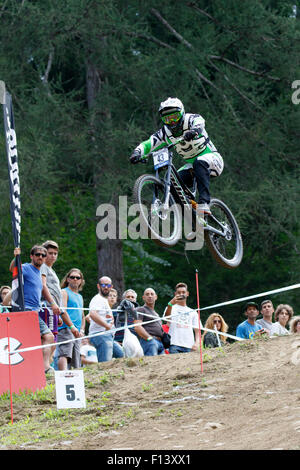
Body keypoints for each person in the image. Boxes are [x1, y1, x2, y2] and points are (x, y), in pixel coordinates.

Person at [130, 97, 224, 214]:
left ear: (182, 113)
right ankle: (190, 214)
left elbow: (200, 123)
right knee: (172, 181)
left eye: (174, 117)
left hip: (213, 160)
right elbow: (149, 143)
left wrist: (194, 131)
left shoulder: (191, 119)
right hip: (191, 166)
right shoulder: (165, 132)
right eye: (167, 118)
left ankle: (204, 202)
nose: (172, 122)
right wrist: (137, 152)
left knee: (199, 162)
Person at [9, 246, 55, 373]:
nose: (40, 257)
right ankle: (45, 367)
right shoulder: (27, 268)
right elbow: (13, 269)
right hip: (26, 311)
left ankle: (33, 368)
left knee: (35, 340)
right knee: (48, 336)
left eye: (43, 255)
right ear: (31, 256)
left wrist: (53, 306)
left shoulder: (39, 273)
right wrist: (16, 257)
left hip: (35, 311)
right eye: (37, 254)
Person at [40, 240, 80, 366]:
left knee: (53, 344)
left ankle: (47, 369)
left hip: (54, 311)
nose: (53, 256)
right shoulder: (43, 267)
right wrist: (52, 303)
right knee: (48, 340)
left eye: (55, 253)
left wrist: (58, 313)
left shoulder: (51, 270)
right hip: (46, 307)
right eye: (50, 253)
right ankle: (44, 368)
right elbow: (43, 286)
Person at [88, 276, 123, 362]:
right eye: (103, 285)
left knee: (122, 356)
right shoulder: (98, 299)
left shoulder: (104, 300)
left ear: (111, 286)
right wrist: (106, 325)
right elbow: (92, 314)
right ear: (98, 286)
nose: (106, 287)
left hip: (108, 335)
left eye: (108, 285)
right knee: (105, 363)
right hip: (100, 335)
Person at [57, 268, 85, 370]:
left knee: (76, 359)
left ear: (81, 280)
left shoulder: (80, 297)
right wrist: (71, 326)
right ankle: (62, 377)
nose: (75, 279)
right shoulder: (64, 292)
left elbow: (82, 316)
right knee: (65, 354)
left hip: (77, 332)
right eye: (72, 277)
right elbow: (62, 311)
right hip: (66, 328)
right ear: (67, 279)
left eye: (78, 278)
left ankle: (75, 380)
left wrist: (82, 330)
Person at [164, 282, 200, 354]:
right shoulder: (170, 308)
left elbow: (197, 330)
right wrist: (170, 304)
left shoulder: (193, 312)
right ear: (175, 294)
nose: (181, 294)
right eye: (179, 292)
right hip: (174, 344)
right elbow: (166, 318)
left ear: (187, 294)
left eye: (183, 292)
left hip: (189, 346)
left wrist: (197, 343)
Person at [134, 287, 165, 356]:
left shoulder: (156, 314)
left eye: (152, 294)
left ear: (156, 297)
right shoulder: (141, 310)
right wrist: (149, 338)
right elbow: (137, 327)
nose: (150, 296)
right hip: (149, 342)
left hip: (160, 343)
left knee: (163, 365)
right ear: (143, 297)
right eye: (147, 294)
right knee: (151, 365)